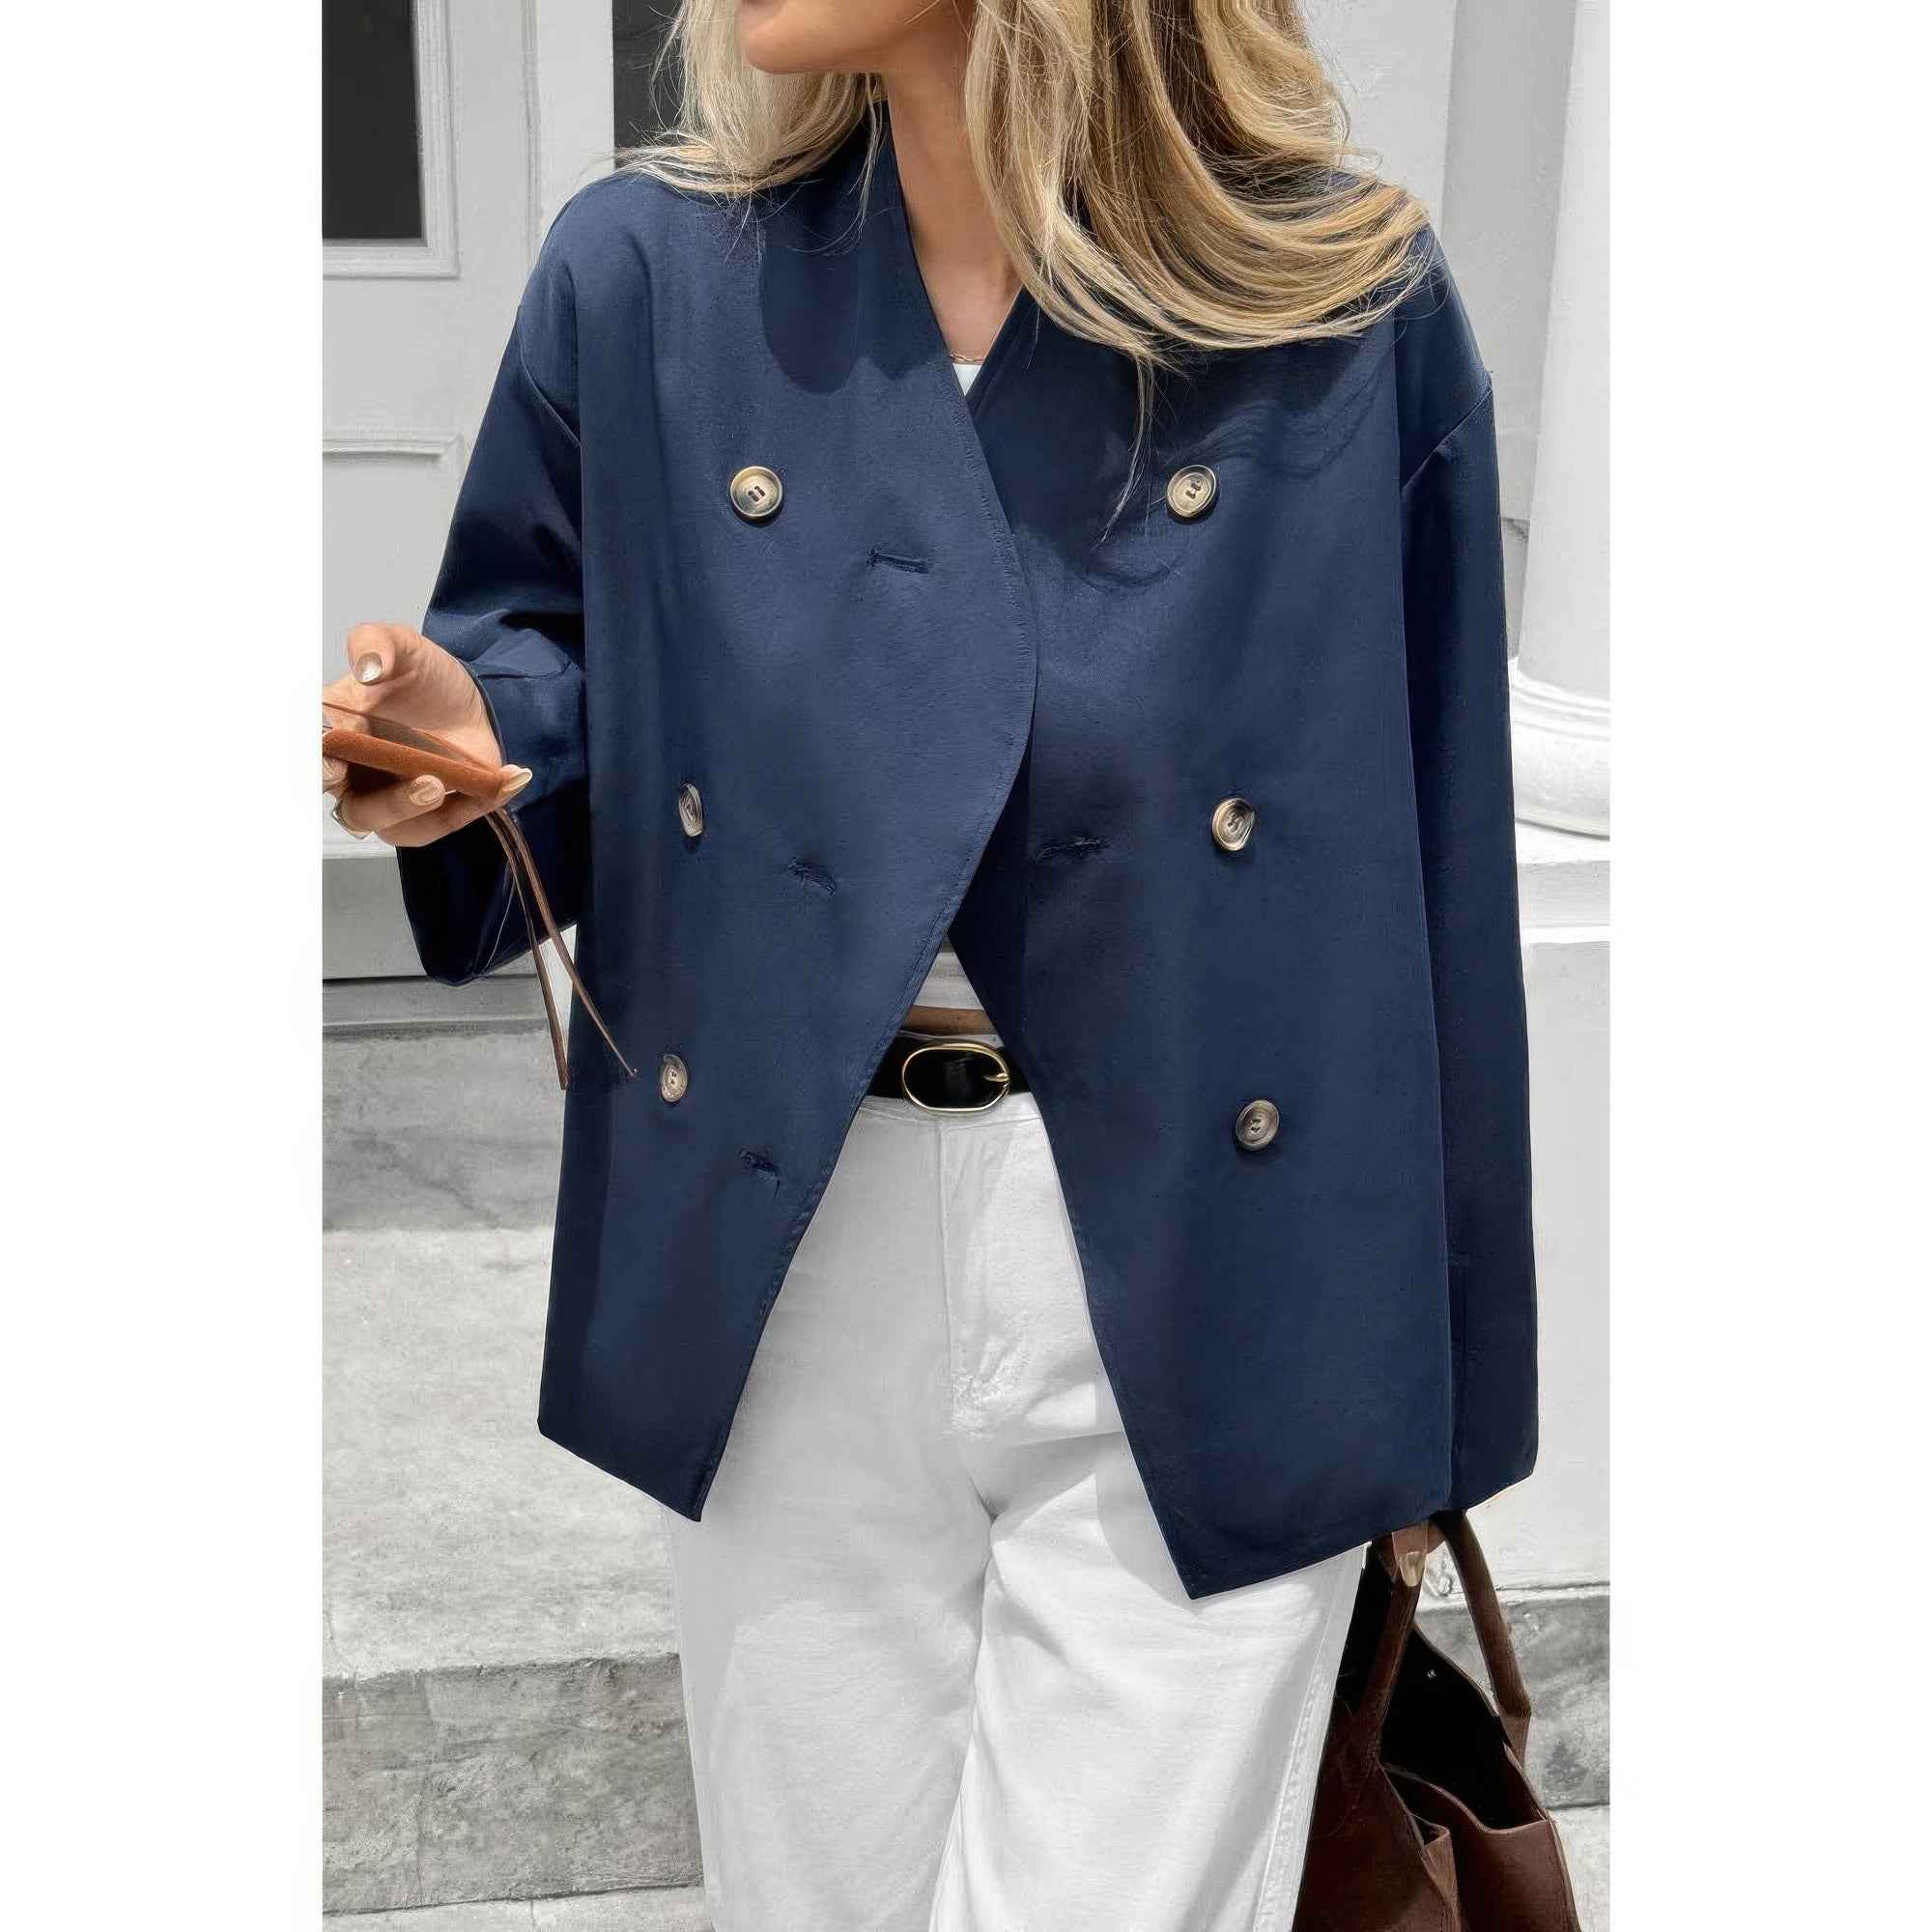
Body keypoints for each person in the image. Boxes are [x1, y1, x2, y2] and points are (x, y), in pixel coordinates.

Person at [321, 2, 1537, 1924]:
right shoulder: (646, 282)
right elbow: (550, 659)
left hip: (1214, 1254)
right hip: (792, 1238)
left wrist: (1433, 1397)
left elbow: (1435, 856)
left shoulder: (1337, 302)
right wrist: (471, 738)